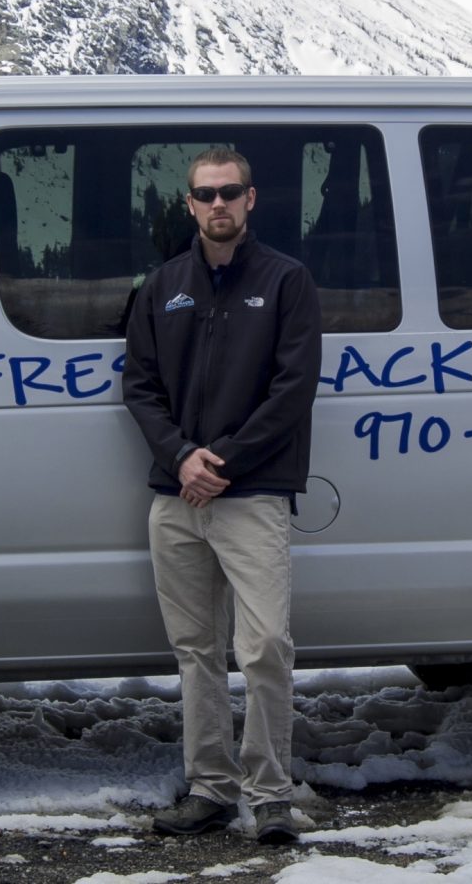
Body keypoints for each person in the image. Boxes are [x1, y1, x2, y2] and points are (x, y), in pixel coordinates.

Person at [121, 146, 324, 847]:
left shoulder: (286, 281)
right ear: (188, 204)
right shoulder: (164, 284)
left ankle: (270, 794)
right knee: (196, 650)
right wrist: (181, 456)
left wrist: (224, 461)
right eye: (205, 195)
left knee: (265, 644)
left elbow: (293, 389)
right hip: (177, 495)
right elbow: (139, 386)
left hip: (252, 492)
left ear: (251, 199)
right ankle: (209, 788)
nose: (217, 205)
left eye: (229, 192)